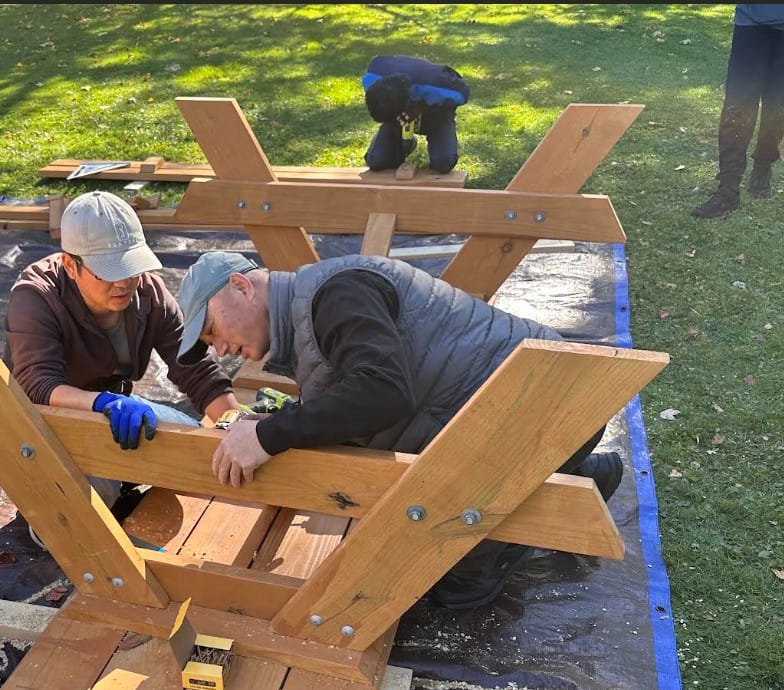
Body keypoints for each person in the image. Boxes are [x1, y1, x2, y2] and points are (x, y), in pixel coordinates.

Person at [175, 251, 625, 610]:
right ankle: (582, 475)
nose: (222, 349)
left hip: (548, 407)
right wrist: (275, 424)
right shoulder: (312, 312)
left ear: (241, 286)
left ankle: (509, 539)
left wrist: (270, 437)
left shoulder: (336, 293)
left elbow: (384, 392)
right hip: (533, 409)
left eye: (213, 330)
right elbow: (354, 391)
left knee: (454, 586)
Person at [5, 191, 242, 513]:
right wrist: (102, 402)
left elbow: (195, 367)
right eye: (108, 272)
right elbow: (37, 385)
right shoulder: (36, 297)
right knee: (87, 504)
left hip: (115, 411)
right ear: (70, 265)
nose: (124, 283)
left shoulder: (148, 292)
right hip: (48, 423)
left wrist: (236, 424)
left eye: (131, 268)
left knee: (193, 447)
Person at [692, 4, 784, 219]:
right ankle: (728, 190)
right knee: (738, 101)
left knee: (778, 99)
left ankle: (763, 165)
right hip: (752, 14)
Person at [361, 54, 470, 174]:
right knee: (377, 161)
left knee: (443, 163)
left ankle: (432, 140)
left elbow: (463, 92)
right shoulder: (373, 76)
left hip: (436, 115)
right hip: (397, 106)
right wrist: (394, 119)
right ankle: (406, 143)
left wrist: (422, 107)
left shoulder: (440, 85)